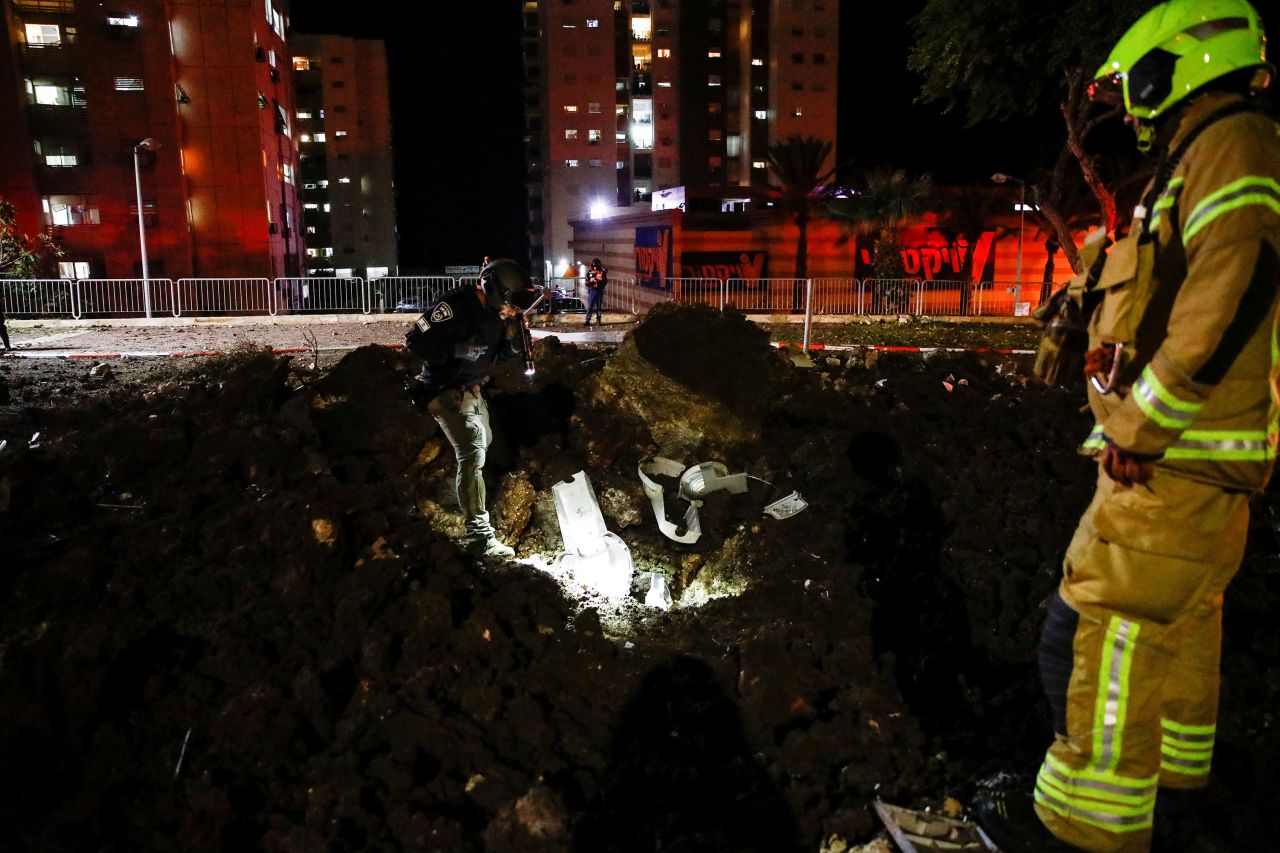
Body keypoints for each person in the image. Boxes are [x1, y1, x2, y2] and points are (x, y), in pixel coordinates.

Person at [975, 2, 1280, 852]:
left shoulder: (1232, 146)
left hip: (1168, 468)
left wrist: (1139, 426)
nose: (1131, 106)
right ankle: (1174, 807)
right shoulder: (1211, 154)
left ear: (1173, 65)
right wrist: (1073, 318)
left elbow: (1231, 289)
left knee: (1089, 639)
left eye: (1133, 86)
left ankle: (1075, 830)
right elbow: (1157, 277)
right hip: (1198, 472)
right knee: (1172, 640)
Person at [404, 258, 538, 559]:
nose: (510, 307)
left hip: (473, 389)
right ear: (494, 289)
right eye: (508, 299)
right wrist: (456, 350)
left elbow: (494, 359)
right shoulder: (456, 305)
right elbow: (415, 340)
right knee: (473, 451)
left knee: (484, 444)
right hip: (442, 389)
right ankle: (479, 534)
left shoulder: (496, 315)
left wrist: (514, 345)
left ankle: (458, 494)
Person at [584, 257, 607, 326]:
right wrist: (591, 282)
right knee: (590, 306)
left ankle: (598, 320)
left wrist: (599, 282)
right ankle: (588, 320)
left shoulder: (602, 272)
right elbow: (586, 281)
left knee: (598, 306)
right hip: (593, 290)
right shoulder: (590, 272)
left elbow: (605, 281)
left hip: (599, 290)